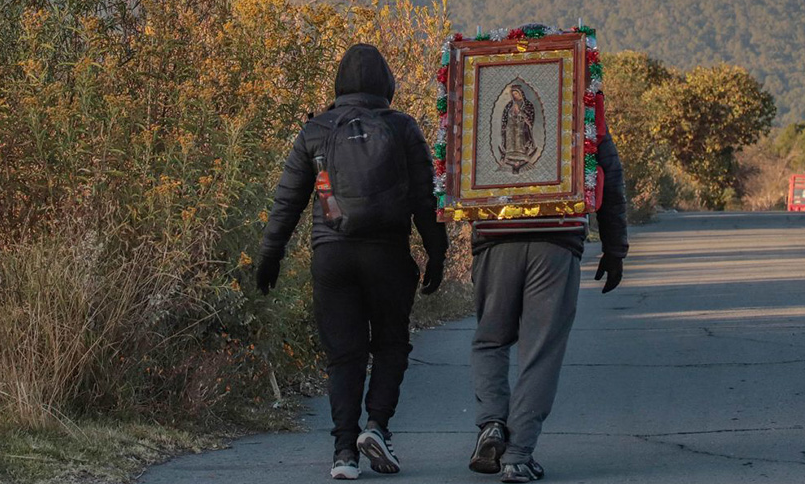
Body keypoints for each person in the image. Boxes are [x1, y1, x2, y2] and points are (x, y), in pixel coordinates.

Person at [255, 43, 449, 481]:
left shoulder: (317, 129)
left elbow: (289, 200)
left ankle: (344, 451)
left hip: (333, 253)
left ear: (339, 82)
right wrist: (437, 251)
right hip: (386, 253)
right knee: (391, 344)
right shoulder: (402, 128)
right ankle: (377, 427)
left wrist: (271, 254)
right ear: (387, 83)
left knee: (343, 355)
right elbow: (425, 196)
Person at [467, 130, 628, 482]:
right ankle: (518, 454)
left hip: (494, 234)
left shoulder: (480, 92)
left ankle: (492, 423)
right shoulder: (575, 98)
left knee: (490, 339)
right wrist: (614, 248)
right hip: (556, 236)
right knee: (540, 349)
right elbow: (610, 179)